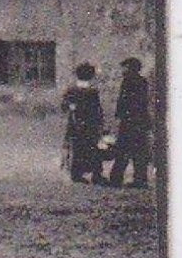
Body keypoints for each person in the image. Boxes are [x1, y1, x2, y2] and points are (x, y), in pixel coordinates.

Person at [107, 57, 152, 188]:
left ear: (131, 68)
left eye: (125, 67)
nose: (123, 70)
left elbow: (123, 101)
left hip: (129, 121)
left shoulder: (127, 82)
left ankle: (116, 179)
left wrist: (119, 117)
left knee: (122, 151)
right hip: (140, 121)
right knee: (139, 152)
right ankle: (140, 180)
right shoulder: (143, 81)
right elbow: (143, 103)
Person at [61, 62, 105, 184]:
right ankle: (96, 174)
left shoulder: (72, 89)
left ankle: (77, 174)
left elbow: (64, 106)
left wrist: (70, 107)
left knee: (78, 148)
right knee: (93, 148)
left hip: (77, 123)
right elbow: (97, 109)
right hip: (88, 124)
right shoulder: (92, 91)